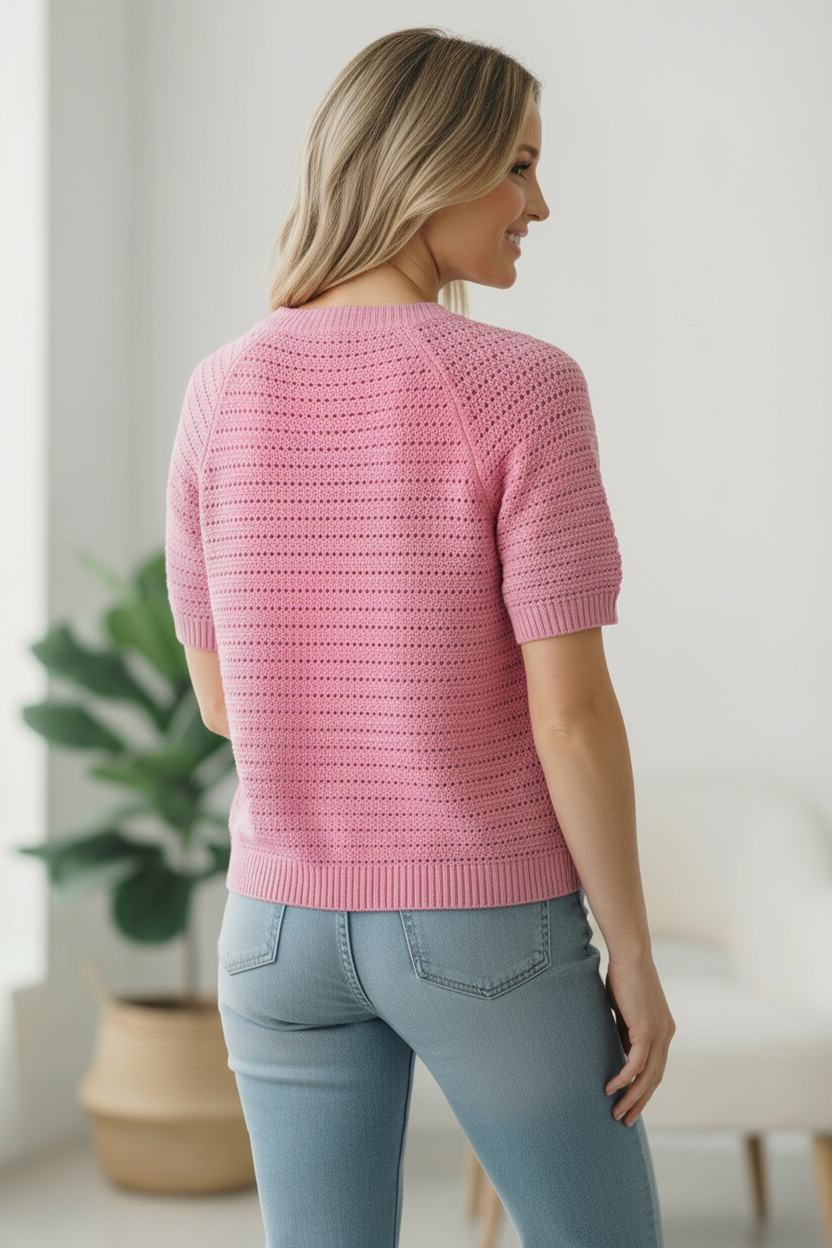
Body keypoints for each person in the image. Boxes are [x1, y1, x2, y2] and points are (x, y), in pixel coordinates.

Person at [165, 26, 675, 1248]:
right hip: (483, 921)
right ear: (426, 165)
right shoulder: (521, 385)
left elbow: (225, 704)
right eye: (517, 167)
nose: (536, 205)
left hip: (273, 931)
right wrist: (634, 957)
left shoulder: (218, 388)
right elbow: (569, 716)